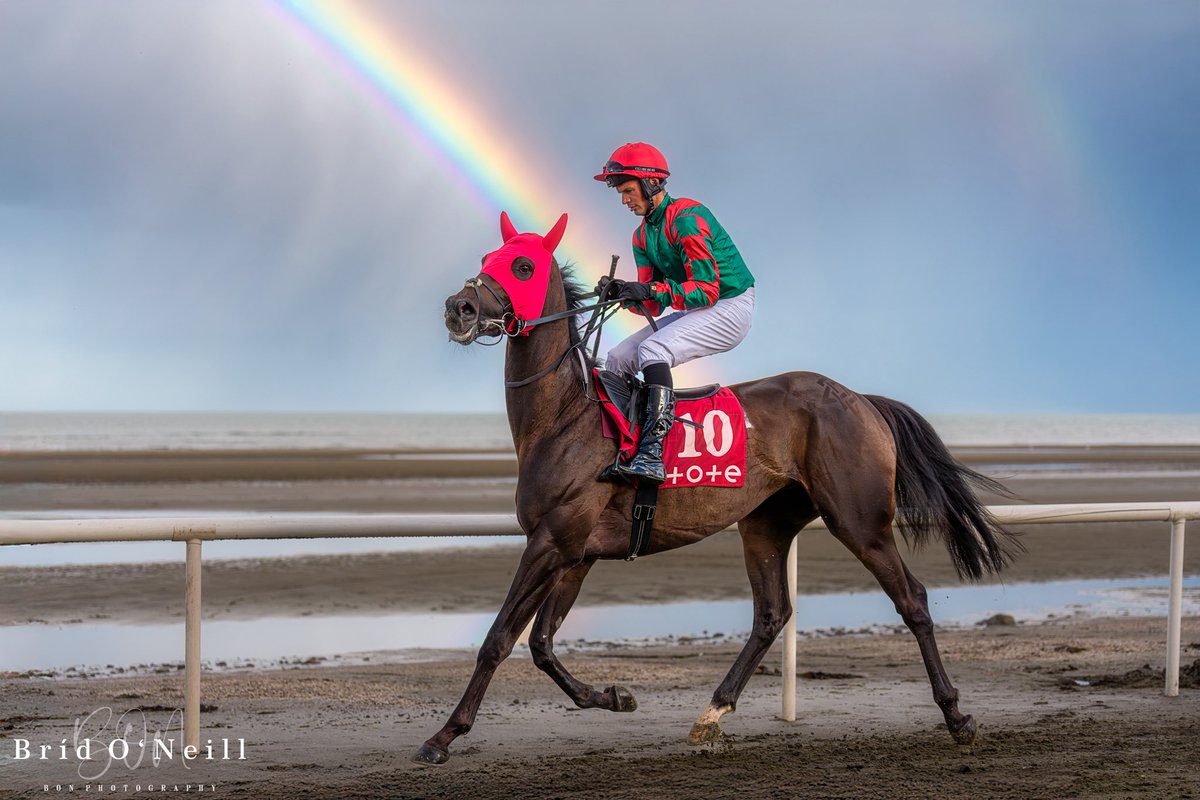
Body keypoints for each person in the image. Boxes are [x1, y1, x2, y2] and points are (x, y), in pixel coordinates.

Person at [593, 142, 756, 483]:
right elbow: (651, 305)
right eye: (621, 193)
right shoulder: (641, 236)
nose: (624, 200)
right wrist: (623, 293)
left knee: (653, 350)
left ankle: (652, 453)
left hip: (730, 304)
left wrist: (652, 290)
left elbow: (706, 290)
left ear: (650, 182)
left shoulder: (687, 218)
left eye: (627, 191)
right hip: (700, 306)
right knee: (618, 357)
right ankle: (624, 446)